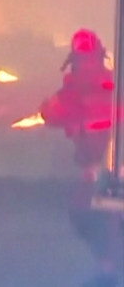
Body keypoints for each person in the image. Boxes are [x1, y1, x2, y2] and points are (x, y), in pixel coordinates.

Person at [40, 29, 123, 287]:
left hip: (101, 169)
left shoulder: (74, 91)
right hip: (111, 168)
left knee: (92, 214)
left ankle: (106, 271)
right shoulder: (114, 83)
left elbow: (51, 113)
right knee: (107, 217)